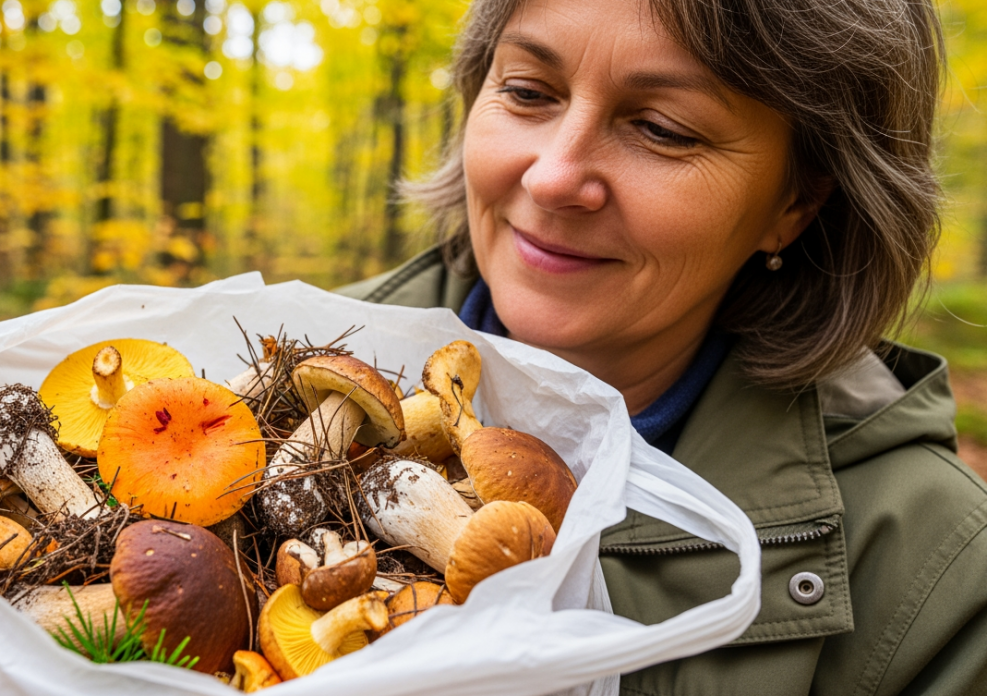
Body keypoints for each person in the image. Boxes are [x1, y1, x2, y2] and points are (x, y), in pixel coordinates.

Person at [337, 0, 987, 692]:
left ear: (796, 204)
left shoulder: (939, 577)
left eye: (662, 129)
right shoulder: (261, 379)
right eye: (527, 91)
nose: (552, 177)